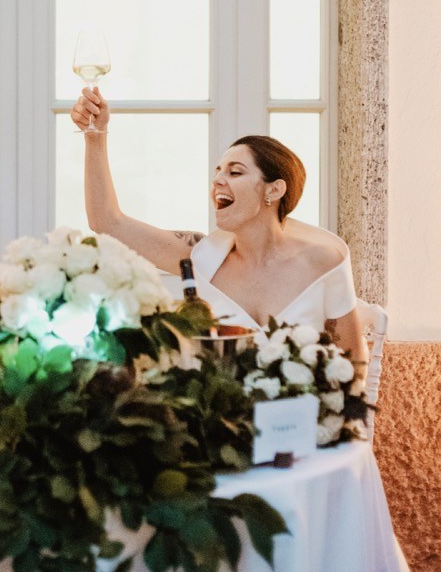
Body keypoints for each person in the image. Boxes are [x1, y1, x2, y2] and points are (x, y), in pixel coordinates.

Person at [71, 86, 367, 364]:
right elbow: (107, 222)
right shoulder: (199, 255)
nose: (218, 181)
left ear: (274, 190)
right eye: (217, 172)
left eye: (235, 172)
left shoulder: (323, 263)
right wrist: (95, 136)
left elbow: (353, 365)